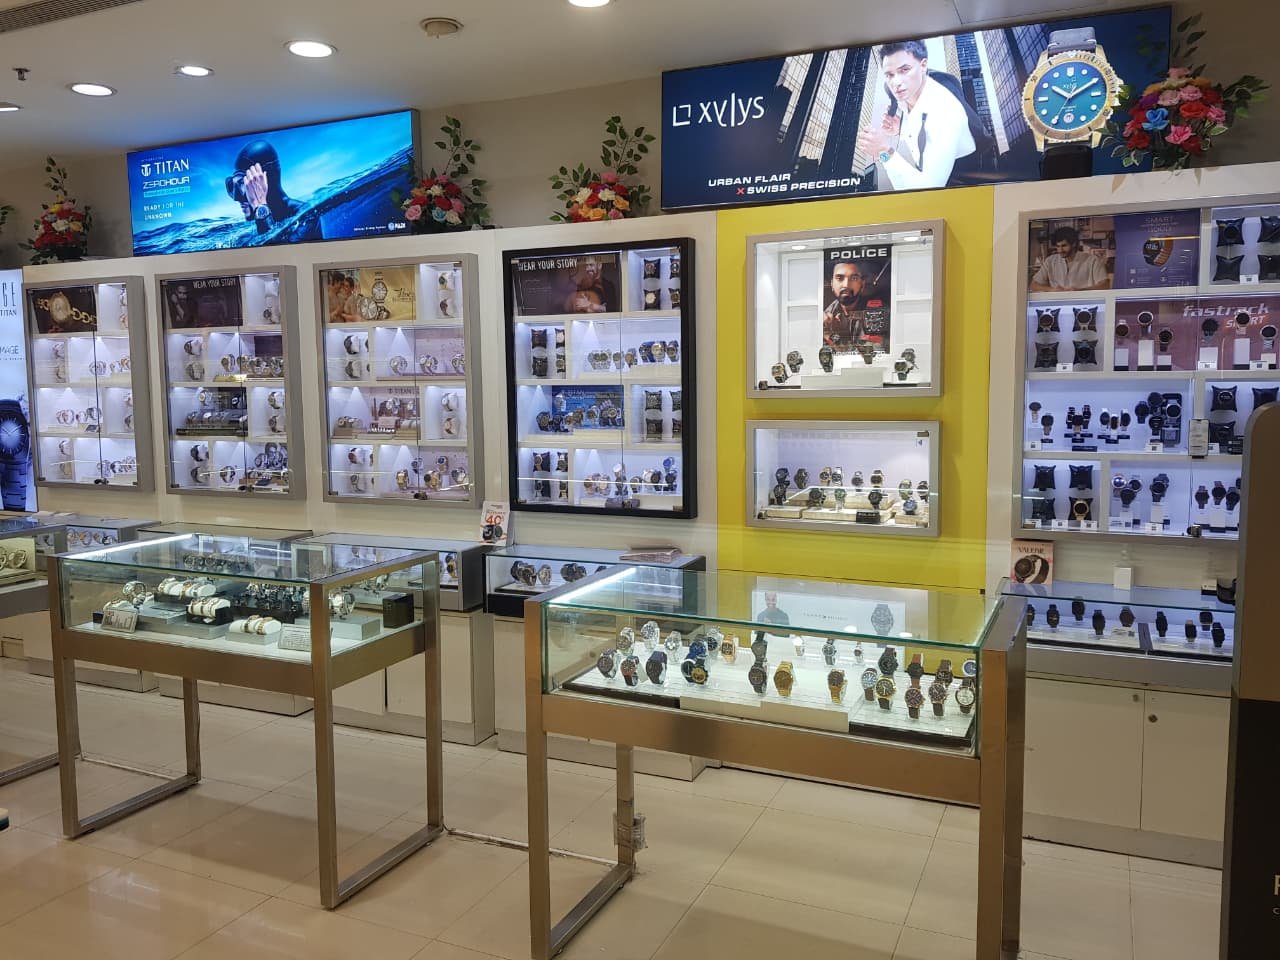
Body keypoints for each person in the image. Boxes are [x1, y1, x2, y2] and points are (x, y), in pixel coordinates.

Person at [855, 40, 976, 191]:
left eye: (904, 70)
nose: (896, 82)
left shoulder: (945, 111)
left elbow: (927, 190)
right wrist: (901, 129)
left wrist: (883, 152)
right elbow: (923, 137)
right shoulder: (913, 95)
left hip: (963, 189)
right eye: (890, 75)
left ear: (923, 65)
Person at [225, 140, 301, 234]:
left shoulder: (305, 215)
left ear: (267, 180)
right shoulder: (253, 225)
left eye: (244, 183)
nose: (236, 198)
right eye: (232, 187)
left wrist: (260, 206)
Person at [1030, 226, 1110, 291]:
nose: (1060, 250)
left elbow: (1105, 285)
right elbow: (1034, 285)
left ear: (1074, 243)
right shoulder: (1050, 261)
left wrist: (1081, 291)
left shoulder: (1092, 260)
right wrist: (1052, 290)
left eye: (1064, 246)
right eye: (1058, 246)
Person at [823, 261, 872, 350]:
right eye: (839, 278)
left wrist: (836, 333)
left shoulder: (874, 313)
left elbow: (868, 354)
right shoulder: (826, 316)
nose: (846, 285)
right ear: (832, 284)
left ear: (862, 284)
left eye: (853, 278)